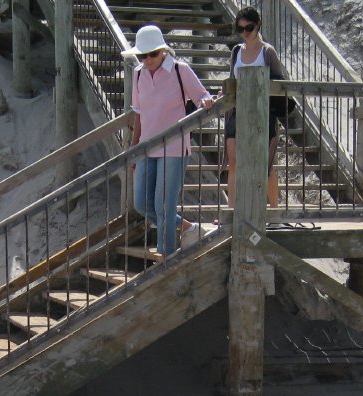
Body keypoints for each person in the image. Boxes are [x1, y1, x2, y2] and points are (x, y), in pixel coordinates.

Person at [124, 25, 216, 257]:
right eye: (143, 55)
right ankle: (188, 228)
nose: (148, 59)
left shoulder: (179, 70)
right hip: (146, 146)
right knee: (142, 204)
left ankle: (166, 256)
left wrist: (205, 101)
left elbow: (202, 95)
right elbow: (138, 114)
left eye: (152, 54)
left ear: (163, 51)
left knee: (164, 206)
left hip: (174, 147)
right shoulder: (137, 73)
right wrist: (133, 149)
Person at [225, 7, 289, 209]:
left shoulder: (267, 51)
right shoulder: (236, 51)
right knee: (233, 162)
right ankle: (232, 210)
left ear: (257, 26)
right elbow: (232, 81)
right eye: (240, 28)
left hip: (263, 113)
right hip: (237, 111)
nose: (244, 32)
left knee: (265, 167)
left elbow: (279, 84)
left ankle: (274, 210)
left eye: (249, 27)